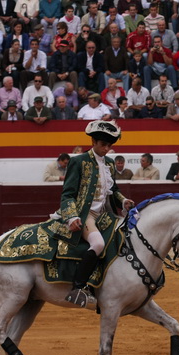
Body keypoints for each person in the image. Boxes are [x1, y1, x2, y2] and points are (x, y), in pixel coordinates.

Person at [53, 120, 134, 307]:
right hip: (85, 213)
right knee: (97, 243)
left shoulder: (111, 164)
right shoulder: (78, 161)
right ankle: (78, 288)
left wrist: (123, 201)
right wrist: (72, 216)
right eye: (103, 145)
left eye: (109, 145)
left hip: (106, 213)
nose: (106, 149)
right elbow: (68, 194)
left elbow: (113, 190)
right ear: (93, 142)